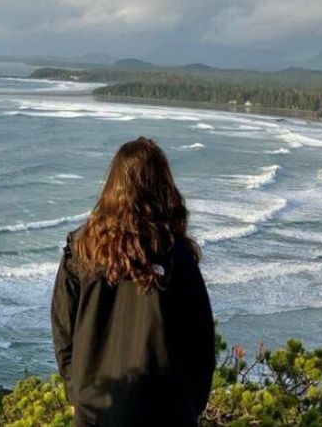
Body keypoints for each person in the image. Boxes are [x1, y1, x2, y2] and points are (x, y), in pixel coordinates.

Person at [51, 137, 215, 426]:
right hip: (167, 411)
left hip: (97, 411)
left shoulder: (81, 250)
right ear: (163, 187)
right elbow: (201, 342)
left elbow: (63, 330)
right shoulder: (176, 255)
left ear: (112, 186)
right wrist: (191, 404)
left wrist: (76, 391)